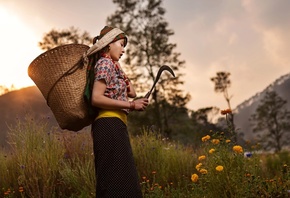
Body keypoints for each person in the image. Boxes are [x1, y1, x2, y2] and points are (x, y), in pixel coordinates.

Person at [83, 26, 148, 197]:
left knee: (122, 180)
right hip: (108, 125)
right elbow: (96, 98)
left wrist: (120, 68)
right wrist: (132, 105)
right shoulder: (104, 64)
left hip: (115, 125)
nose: (123, 49)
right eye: (121, 44)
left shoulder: (112, 66)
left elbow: (132, 93)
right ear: (108, 44)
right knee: (115, 182)